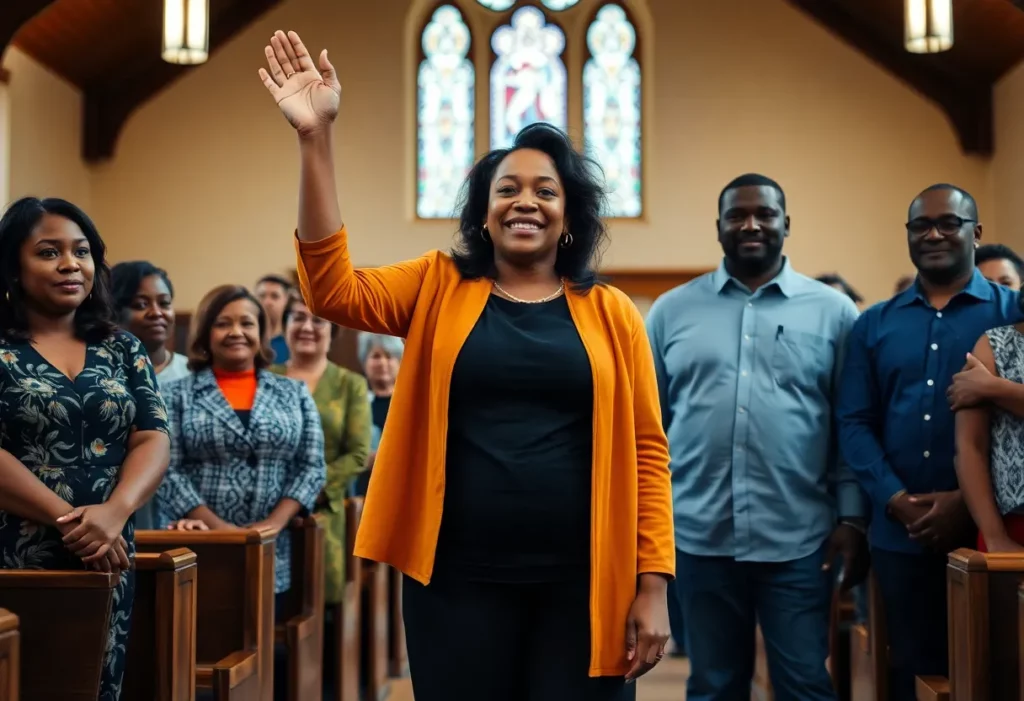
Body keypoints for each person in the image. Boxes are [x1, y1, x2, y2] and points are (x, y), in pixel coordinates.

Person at [259, 29, 674, 701]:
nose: (526, 201)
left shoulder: (613, 312)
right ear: (484, 213)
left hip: (586, 578)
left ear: (568, 216)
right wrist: (316, 140)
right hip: (455, 581)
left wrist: (653, 584)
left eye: (546, 190)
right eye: (507, 188)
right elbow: (329, 291)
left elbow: (649, 452)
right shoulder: (438, 284)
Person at [647, 174, 868, 701]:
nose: (751, 224)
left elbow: (849, 421)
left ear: (785, 224)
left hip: (799, 536)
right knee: (713, 685)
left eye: (765, 214)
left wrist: (853, 516)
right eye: (737, 215)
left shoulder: (834, 313)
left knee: (804, 684)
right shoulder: (671, 312)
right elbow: (648, 429)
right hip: (698, 534)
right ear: (719, 227)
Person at [837, 184, 1024, 700]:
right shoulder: (874, 324)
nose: (934, 233)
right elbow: (853, 422)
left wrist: (967, 504)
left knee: (999, 674)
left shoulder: (1013, 316)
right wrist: (895, 500)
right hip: (901, 534)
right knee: (909, 674)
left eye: (949, 223)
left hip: (994, 530)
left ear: (976, 233)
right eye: (921, 225)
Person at [0, 196, 171, 701]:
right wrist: (75, 522)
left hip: (108, 551)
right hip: (15, 553)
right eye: (49, 252)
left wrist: (115, 512)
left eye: (81, 251)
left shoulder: (121, 347)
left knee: (97, 683)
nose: (71, 264)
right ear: (12, 265)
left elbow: (152, 435)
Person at [157, 284, 327, 604]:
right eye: (223, 323)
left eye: (247, 323)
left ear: (261, 333)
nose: (236, 332)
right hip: (197, 544)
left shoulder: (294, 393)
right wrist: (222, 530)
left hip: (273, 548)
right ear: (205, 333)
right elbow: (167, 470)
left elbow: (312, 467)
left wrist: (270, 527)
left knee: (261, 638)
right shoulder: (174, 395)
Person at [270, 295, 370, 602]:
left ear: (332, 330)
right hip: (267, 506)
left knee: (319, 605)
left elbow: (358, 454)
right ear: (285, 327)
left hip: (323, 509)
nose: (307, 327)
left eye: (317, 320)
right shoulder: (268, 377)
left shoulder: (349, 383)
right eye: (298, 318)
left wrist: (307, 490)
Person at [110, 261, 189, 530]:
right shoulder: (105, 378)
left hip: (185, 516)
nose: (157, 313)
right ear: (116, 311)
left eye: (164, 303)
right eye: (141, 305)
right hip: (118, 507)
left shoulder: (192, 374)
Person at [352, 332, 403, 497]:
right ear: (364, 361)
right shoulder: (355, 404)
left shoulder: (411, 403)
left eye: (389, 357)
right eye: (375, 356)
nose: (382, 363)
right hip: (364, 493)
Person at [256, 273, 293, 363]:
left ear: (286, 300)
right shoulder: (248, 340)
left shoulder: (292, 343)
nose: (267, 302)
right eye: (262, 296)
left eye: (274, 296)